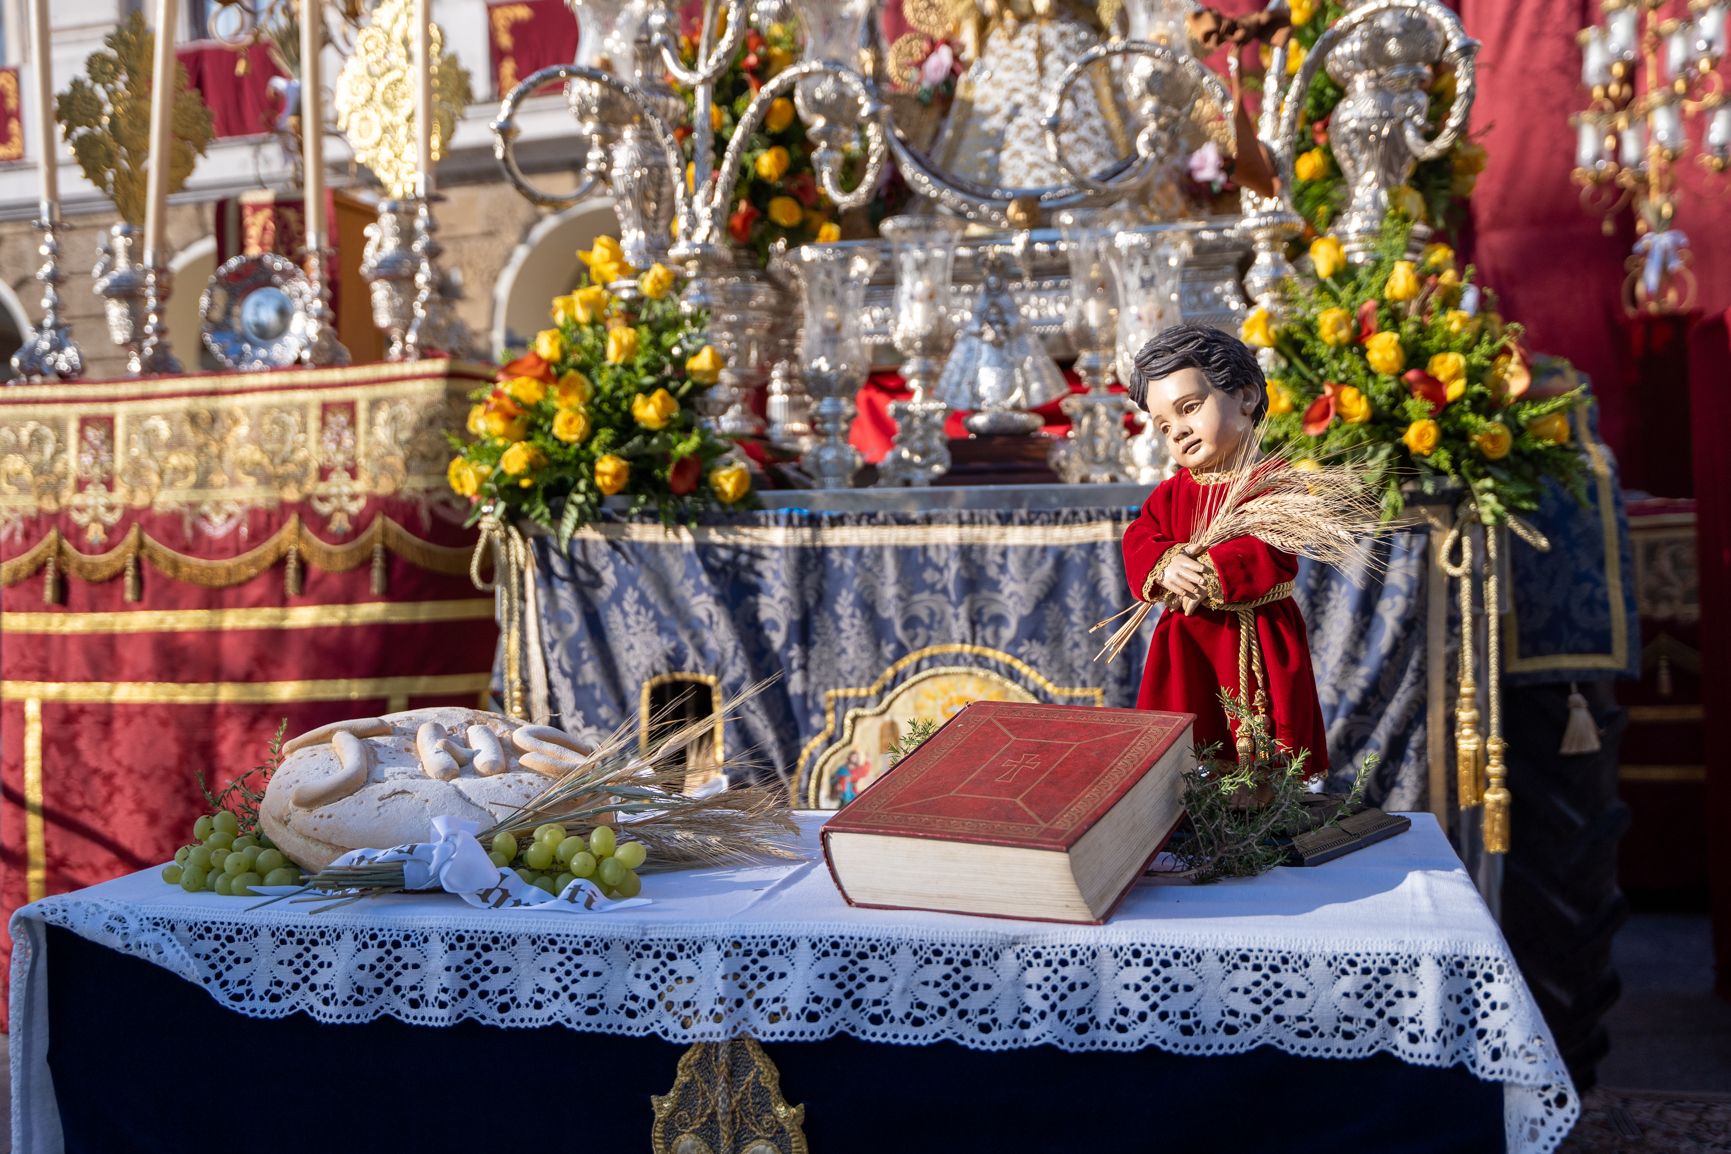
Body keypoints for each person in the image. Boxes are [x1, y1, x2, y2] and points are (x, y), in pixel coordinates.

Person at [1120, 324, 1329, 773]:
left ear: (1246, 396)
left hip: (1256, 637)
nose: (1178, 432)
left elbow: (1274, 547)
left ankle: (1266, 807)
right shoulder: (1171, 494)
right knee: (1187, 744)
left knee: (1266, 748)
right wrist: (1166, 562)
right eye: (1163, 426)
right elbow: (1141, 536)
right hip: (1187, 644)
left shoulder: (1274, 483)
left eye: (1189, 408)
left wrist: (1212, 570)